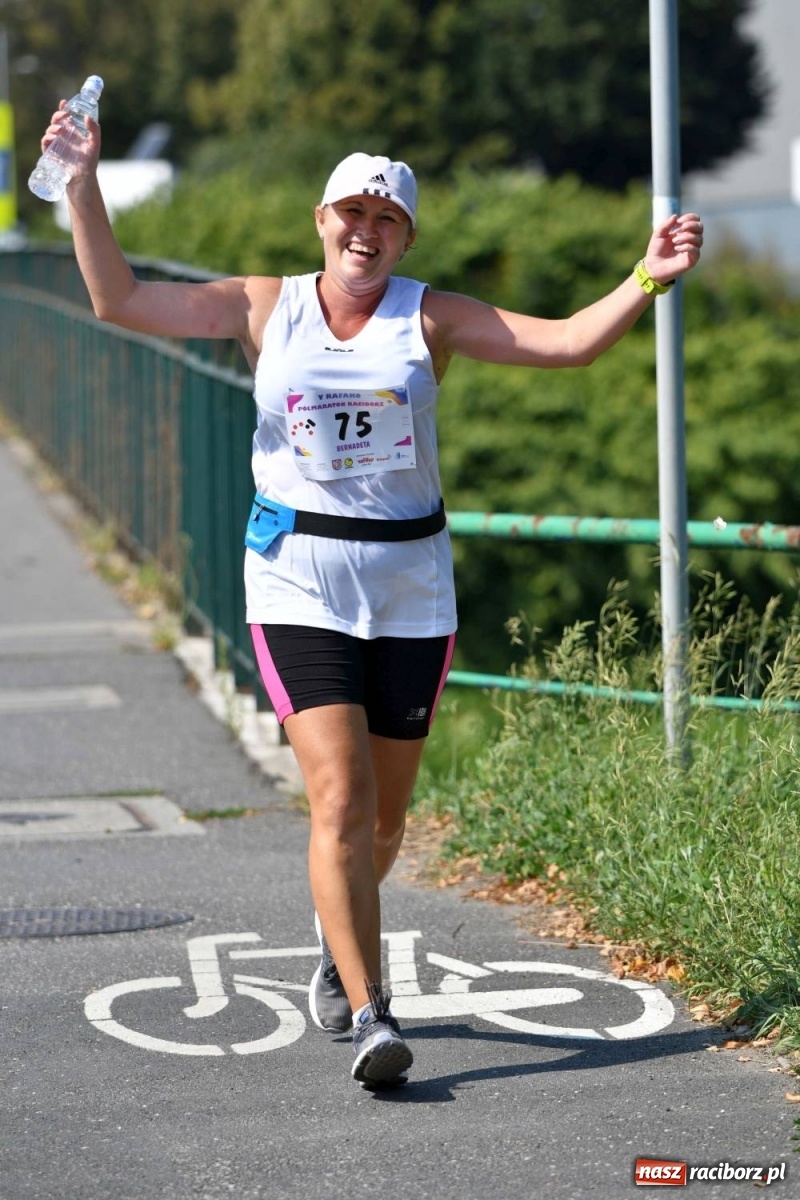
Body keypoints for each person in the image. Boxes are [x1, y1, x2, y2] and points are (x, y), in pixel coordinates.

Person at [40, 102, 703, 1089]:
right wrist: (84, 187)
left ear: (405, 236)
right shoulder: (265, 306)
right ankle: (370, 1010)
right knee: (340, 801)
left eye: (386, 219)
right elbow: (122, 301)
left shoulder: (427, 316)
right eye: (351, 212)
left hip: (407, 588)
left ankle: (332, 930)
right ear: (321, 220)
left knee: (382, 826)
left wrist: (645, 275)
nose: (366, 229)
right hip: (296, 576)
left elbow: (565, 343)